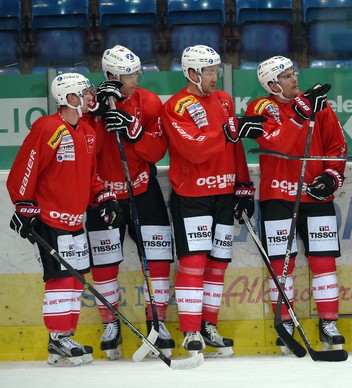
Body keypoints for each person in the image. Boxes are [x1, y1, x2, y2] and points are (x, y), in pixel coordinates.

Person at [6, 73, 122, 366]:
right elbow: (24, 169)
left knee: (75, 280)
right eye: (83, 92)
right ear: (69, 98)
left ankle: (63, 337)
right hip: (49, 218)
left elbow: (91, 176)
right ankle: (59, 338)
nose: (89, 97)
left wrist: (102, 197)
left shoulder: (88, 132)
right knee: (59, 279)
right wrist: (23, 205)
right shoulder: (48, 127)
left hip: (75, 221)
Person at [160, 45, 266, 357]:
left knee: (217, 265)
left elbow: (233, 147)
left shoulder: (223, 100)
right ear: (192, 73)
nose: (214, 76)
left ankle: (208, 325)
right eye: (209, 71)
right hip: (192, 195)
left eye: (216, 70)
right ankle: (191, 330)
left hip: (223, 193)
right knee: (194, 263)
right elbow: (192, 148)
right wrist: (227, 130)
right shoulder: (176, 106)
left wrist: (243, 185)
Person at [244, 56, 348, 354]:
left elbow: (336, 145)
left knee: (324, 263)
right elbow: (278, 142)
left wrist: (331, 176)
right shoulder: (261, 108)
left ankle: (328, 322)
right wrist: (301, 114)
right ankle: (286, 322)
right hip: (279, 197)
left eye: (293, 73)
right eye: (286, 76)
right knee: (282, 265)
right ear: (272, 84)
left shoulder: (318, 106)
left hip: (316, 198)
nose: (294, 79)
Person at [85, 45, 174, 360]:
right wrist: (96, 116)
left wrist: (134, 131)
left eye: (137, 72)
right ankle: (111, 323)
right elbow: (85, 153)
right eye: (128, 75)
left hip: (143, 191)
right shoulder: (89, 105)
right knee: (105, 262)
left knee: (159, 258)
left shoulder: (148, 101)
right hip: (103, 196)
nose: (135, 79)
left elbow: (157, 150)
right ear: (110, 76)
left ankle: (157, 322)